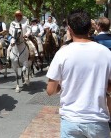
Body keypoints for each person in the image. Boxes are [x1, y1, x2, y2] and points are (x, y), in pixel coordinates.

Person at [46, 9, 111, 138]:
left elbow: (50, 90)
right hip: (98, 121)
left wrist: (62, 86)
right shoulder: (106, 53)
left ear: (69, 29)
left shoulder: (62, 53)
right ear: (90, 28)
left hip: (71, 120)